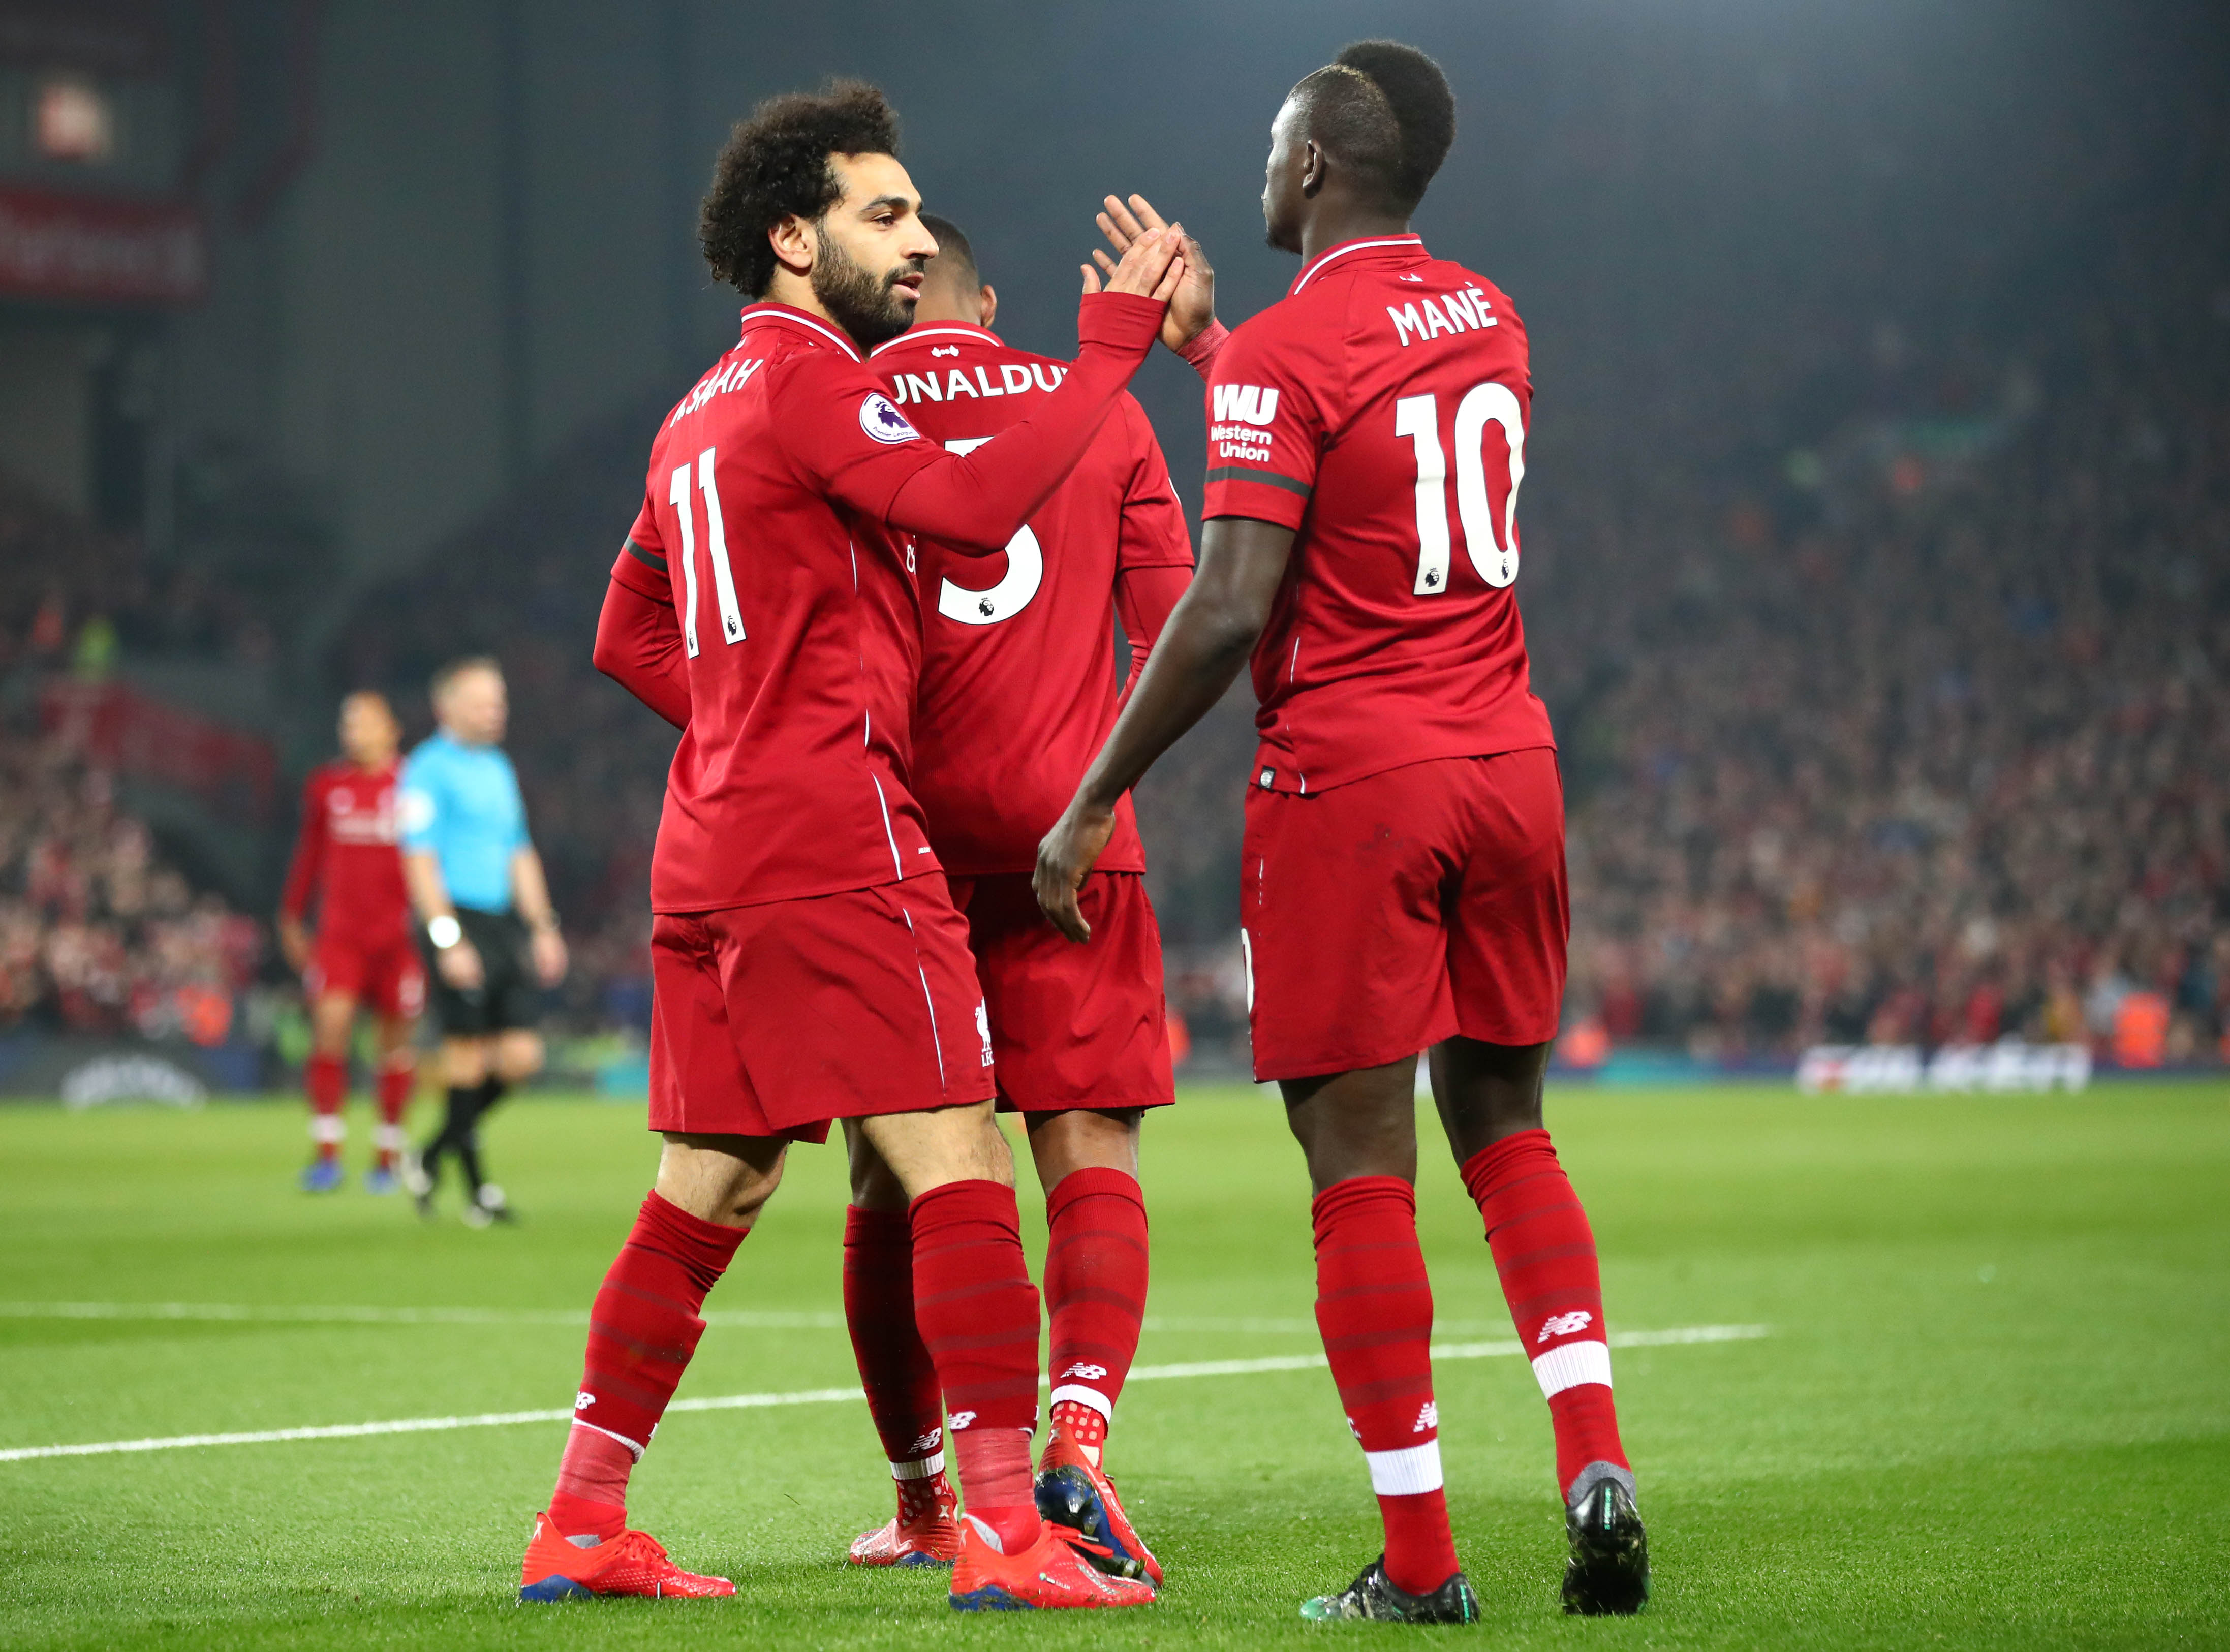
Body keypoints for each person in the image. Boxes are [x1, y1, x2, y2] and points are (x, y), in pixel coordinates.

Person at [531, 80, 1182, 1608]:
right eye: (879, 213)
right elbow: (964, 509)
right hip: (835, 832)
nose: (906, 239)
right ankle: (1010, 1535)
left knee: (717, 1179)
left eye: (909, 216)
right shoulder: (809, 377)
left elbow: (627, 628)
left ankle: (580, 1518)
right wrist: (1106, 354)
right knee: (958, 1154)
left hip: (709, 844)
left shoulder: (693, 412)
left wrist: (737, 715)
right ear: (789, 234)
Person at [1036, 42, 1649, 1623]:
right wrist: (1212, 350)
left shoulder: (1286, 358)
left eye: (1267, 141)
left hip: (1350, 786)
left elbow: (1234, 601)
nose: (1256, 164)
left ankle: (1425, 1566)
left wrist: (1096, 785)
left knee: (1354, 1167)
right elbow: (1368, 447)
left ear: (1311, 167)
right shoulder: (1490, 315)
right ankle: (1593, 1460)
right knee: (1506, 1126)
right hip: (1506, 760)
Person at [836, 215, 1193, 1579]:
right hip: (1072, 833)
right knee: (1087, 1147)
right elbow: (1171, 631)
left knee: (897, 1177)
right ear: (998, 302)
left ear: (893, 305)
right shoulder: (1096, 409)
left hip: (896, 844)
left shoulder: (844, 411)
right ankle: (1078, 1443)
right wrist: (1099, 795)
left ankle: (928, 1499)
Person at [396, 657, 568, 1226]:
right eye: (484, 701)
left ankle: (427, 1154)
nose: (497, 711)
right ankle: (478, 1194)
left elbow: (518, 851)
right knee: (466, 1059)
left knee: (520, 1057)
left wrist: (543, 926)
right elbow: (419, 862)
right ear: (448, 707)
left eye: (499, 701)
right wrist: (447, 940)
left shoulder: (498, 767)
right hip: (453, 918)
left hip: (499, 922)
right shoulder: (424, 770)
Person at [276, 692, 423, 1194]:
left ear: (391, 729)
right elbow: (309, 852)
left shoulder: (413, 785)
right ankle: (327, 1153)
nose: (353, 730)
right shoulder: (327, 785)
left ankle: (386, 1154)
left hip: (397, 938)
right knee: (330, 1029)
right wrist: (292, 915)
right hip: (341, 936)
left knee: (394, 1044)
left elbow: (431, 857)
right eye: (347, 721)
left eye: (364, 721)